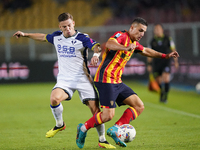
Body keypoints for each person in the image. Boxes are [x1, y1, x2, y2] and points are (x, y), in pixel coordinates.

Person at [13, 12, 115, 149]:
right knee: (54, 99)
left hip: (83, 79)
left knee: (96, 111)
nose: (67, 28)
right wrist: (25, 34)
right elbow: (43, 37)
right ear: (59, 27)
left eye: (69, 25)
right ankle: (60, 124)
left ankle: (102, 140)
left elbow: (96, 46)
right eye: (64, 26)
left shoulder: (82, 38)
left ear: (73, 23)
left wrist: (96, 54)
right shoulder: (56, 37)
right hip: (65, 80)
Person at [76, 17, 179, 148]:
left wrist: (165, 55)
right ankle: (83, 129)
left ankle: (116, 128)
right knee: (108, 115)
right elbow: (109, 44)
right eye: (140, 30)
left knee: (139, 106)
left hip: (117, 81)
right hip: (105, 79)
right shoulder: (122, 36)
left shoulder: (134, 43)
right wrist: (125, 48)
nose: (142, 34)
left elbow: (146, 50)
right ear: (132, 28)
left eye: (144, 32)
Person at [147, 24, 179, 103]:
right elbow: (149, 53)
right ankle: (162, 94)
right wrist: (149, 64)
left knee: (166, 78)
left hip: (166, 62)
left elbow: (173, 50)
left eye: (158, 29)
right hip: (156, 63)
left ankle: (165, 96)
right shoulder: (152, 41)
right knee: (158, 81)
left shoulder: (168, 39)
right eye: (156, 29)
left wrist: (176, 61)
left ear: (162, 30)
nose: (157, 30)